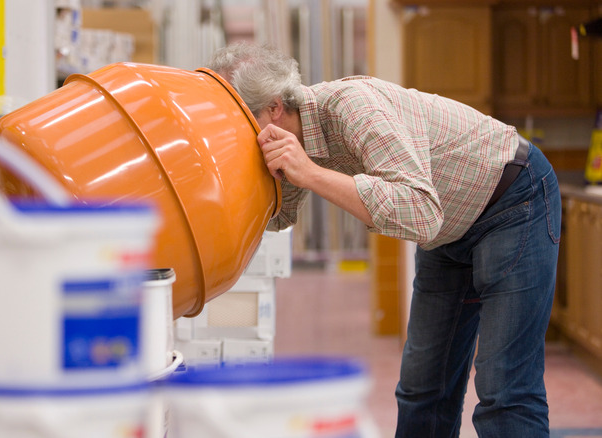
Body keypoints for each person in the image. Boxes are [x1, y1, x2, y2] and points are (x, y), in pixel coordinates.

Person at [206, 42, 560, 438]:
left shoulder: (351, 108)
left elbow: (421, 213)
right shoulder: (290, 136)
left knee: (503, 388)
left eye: (242, 124)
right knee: (422, 387)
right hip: (449, 228)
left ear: (274, 108)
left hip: (512, 200)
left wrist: (310, 173)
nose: (241, 138)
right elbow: (281, 215)